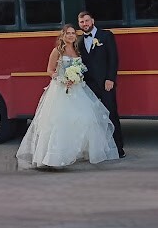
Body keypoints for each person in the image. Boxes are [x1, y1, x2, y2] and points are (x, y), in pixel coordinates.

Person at [16, 24, 119, 169]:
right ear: (63, 35)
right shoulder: (57, 51)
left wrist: (77, 77)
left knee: (86, 118)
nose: (71, 35)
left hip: (77, 89)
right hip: (60, 90)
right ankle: (54, 158)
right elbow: (49, 70)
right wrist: (62, 80)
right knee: (60, 122)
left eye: (73, 33)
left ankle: (77, 152)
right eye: (68, 33)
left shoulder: (77, 50)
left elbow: (81, 69)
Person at [77, 11, 125, 158]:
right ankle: (99, 149)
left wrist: (110, 78)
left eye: (87, 21)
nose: (85, 24)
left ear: (92, 21)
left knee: (111, 114)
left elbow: (113, 58)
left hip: (105, 84)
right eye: (82, 22)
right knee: (93, 118)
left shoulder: (106, 36)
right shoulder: (79, 41)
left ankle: (118, 149)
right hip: (88, 85)